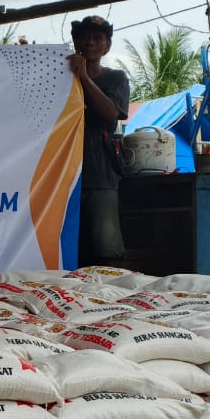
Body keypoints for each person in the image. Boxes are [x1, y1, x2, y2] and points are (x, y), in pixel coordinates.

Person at [66, 15, 131, 266]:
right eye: (85, 37)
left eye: (97, 38)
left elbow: (111, 113)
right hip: (62, 176)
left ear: (107, 46)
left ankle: (111, 287)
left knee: (107, 247)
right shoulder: (61, 76)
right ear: (76, 42)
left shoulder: (116, 78)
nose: (90, 42)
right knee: (67, 245)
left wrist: (83, 77)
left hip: (101, 175)